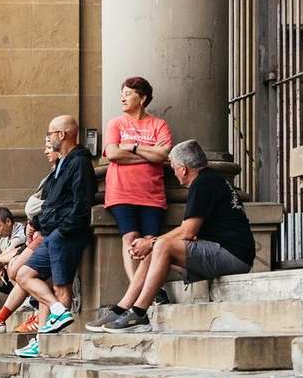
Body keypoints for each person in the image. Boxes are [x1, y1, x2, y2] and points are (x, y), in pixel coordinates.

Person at [103, 139, 256, 332]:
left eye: (174, 168)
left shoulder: (203, 183)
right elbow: (191, 233)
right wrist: (152, 245)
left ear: (183, 169)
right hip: (223, 251)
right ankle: (121, 308)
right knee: (156, 249)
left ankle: (139, 313)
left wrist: (150, 242)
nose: (174, 173)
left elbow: (187, 231)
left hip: (233, 256)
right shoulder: (210, 180)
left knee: (162, 245)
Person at [13, 115, 96, 354]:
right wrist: (38, 223)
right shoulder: (62, 164)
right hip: (52, 234)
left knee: (61, 287)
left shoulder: (79, 162)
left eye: (51, 132)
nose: (48, 137)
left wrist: (61, 230)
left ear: (62, 135)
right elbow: (54, 202)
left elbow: (81, 204)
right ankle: (58, 312)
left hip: (65, 235)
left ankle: (45, 344)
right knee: (24, 274)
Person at [100, 77, 173, 295]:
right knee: (130, 239)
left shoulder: (159, 125)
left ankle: (147, 287)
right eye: (122, 92)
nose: (122, 97)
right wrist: (149, 154)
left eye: (128, 93)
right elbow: (112, 153)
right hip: (121, 192)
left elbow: (164, 154)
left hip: (152, 193)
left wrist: (131, 147)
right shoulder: (116, 123)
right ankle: (138, 290)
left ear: (142, 98)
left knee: (150, 243)